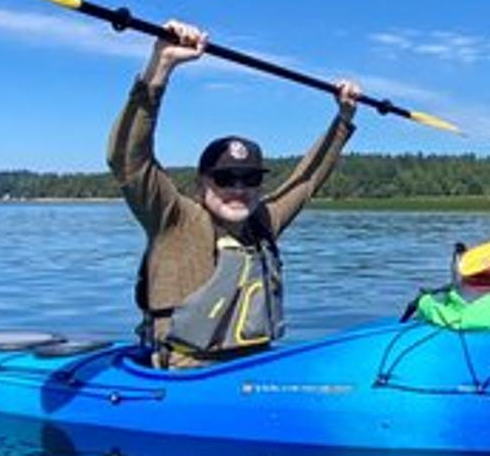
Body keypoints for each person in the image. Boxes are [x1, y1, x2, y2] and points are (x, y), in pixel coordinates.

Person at [108, 20, 358, 367]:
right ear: (201, 184)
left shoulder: (263, 220)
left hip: (254, 369)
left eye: (250, 178)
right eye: (225, 178)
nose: (239, 189)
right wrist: (160, 66)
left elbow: (307, 180)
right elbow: (128, 161)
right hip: (188, 377)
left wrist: (343, 118)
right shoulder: (174, 220)